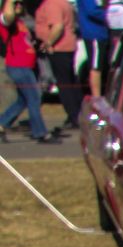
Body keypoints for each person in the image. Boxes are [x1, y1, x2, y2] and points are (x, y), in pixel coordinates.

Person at [1, 0, 58, 143]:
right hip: (18, 66)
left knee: (22, 100)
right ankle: (41, 133)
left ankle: (2, 123)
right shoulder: (6, 21)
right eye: (16, 4)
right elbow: (7, 14)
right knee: (34, 98)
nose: (19, 5)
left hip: (26, 65)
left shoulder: (21, 22)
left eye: (20, 3)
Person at [34, 0, 80, 130]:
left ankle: (73, 116)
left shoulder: (52, 4)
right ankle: (75, 114)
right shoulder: (64, 3)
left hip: (59, 48)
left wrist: (48, 42)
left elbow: (58, 26)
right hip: (66, 46)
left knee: (64, 84)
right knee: (70, 81)